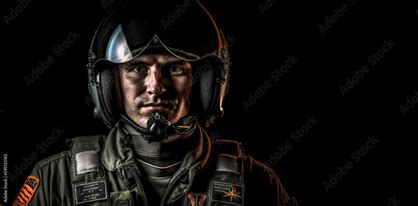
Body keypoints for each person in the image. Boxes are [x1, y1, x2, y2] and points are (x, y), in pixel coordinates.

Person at [13, 0, 297, 205]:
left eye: (175, 68)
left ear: (203, 83)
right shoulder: (55, 179)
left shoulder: (256, 182)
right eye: (137, 68)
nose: (155, 87)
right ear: (111, 84)